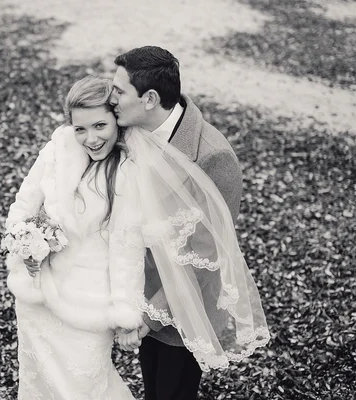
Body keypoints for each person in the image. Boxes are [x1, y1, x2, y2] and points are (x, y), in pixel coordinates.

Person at [5, 75, 269, 400]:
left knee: (83, 388)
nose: (90, 138)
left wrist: (127, 314)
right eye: (80, 128)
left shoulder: (128, 171)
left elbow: (126, 250)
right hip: (35, 300)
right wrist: (25, 243)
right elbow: (21, 205)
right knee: (36, 384)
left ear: (116, 121)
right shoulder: (57, 149)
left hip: (85, 308)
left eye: (100, 125)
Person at [108, 45, 248, 399]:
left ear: (150, 98)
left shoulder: (213, 157)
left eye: (119, 91)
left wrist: (150, 314)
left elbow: (207, 254)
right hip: (140, 290)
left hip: (185, 311)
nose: (111, 99)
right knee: (152, 388)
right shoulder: (128, 130)